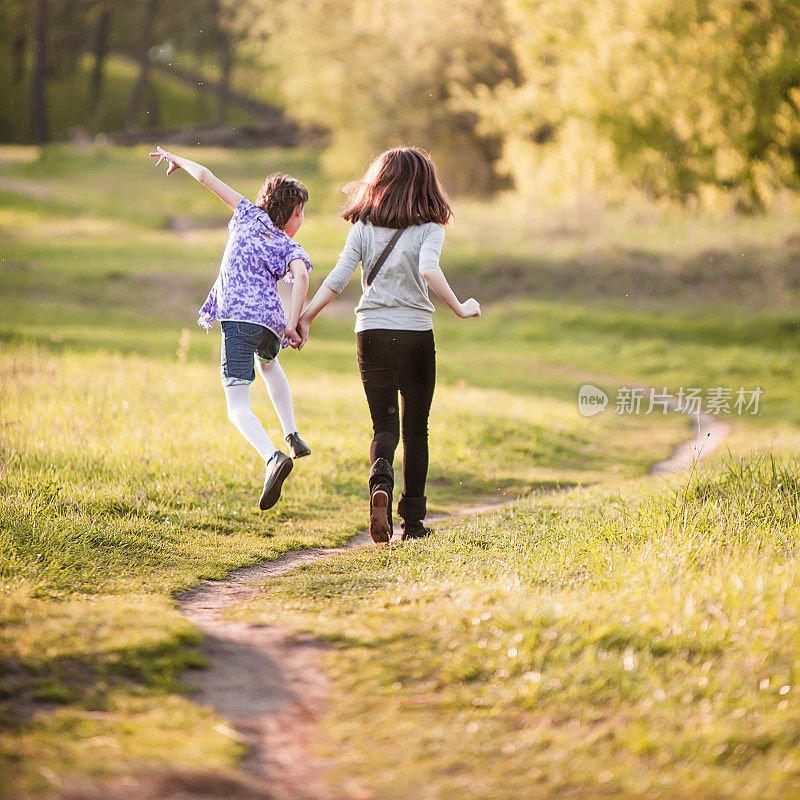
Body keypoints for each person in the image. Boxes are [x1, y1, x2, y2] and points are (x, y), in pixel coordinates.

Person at [294, 147, 480, 542]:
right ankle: (412, 523)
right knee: (416, 429)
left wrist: (306, 317)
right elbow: (429, 269)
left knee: (384, 424)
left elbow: (340, 276)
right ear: (425, 186)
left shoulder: (362, 227)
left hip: (372, 333)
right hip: (415, 334)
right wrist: (460, 308)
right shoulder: (430, 228)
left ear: (378, 184)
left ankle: (380, 479)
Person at [149, 145, 312, 510]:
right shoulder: (289, 244)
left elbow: (206, 176)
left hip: (238, 319)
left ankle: (273, 458)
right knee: (269, 365)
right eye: (303, 213)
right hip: (270, 322)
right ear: (295, 213)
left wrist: (178, 159)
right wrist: (291, 321)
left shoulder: (245, 213)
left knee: (236, 406)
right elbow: (301, 278)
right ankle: (291, 432)